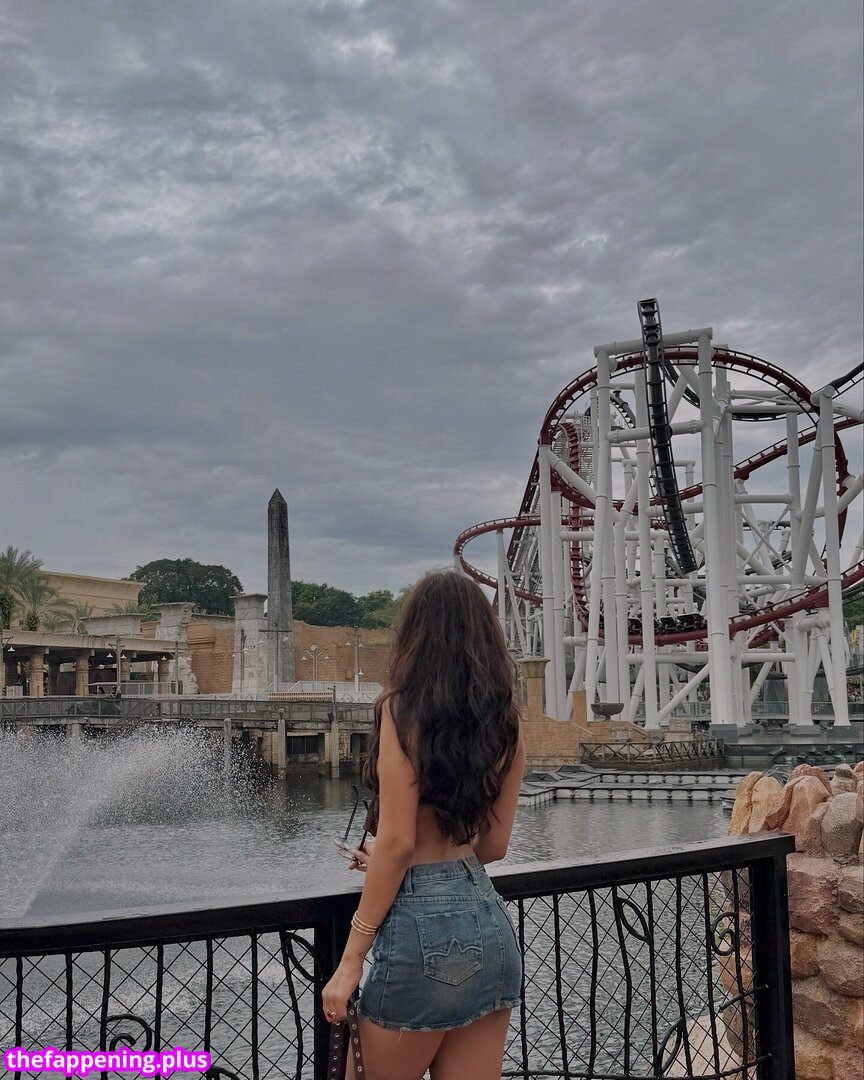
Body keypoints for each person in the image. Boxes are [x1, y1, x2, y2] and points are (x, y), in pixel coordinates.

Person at [322, 569, 526, 1080]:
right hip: (486, 922)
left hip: (420, 932)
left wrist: (350, 961)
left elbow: (397, 842)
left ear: (415, 636)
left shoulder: (401, 711)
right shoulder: (507, 724)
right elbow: (494, 847)